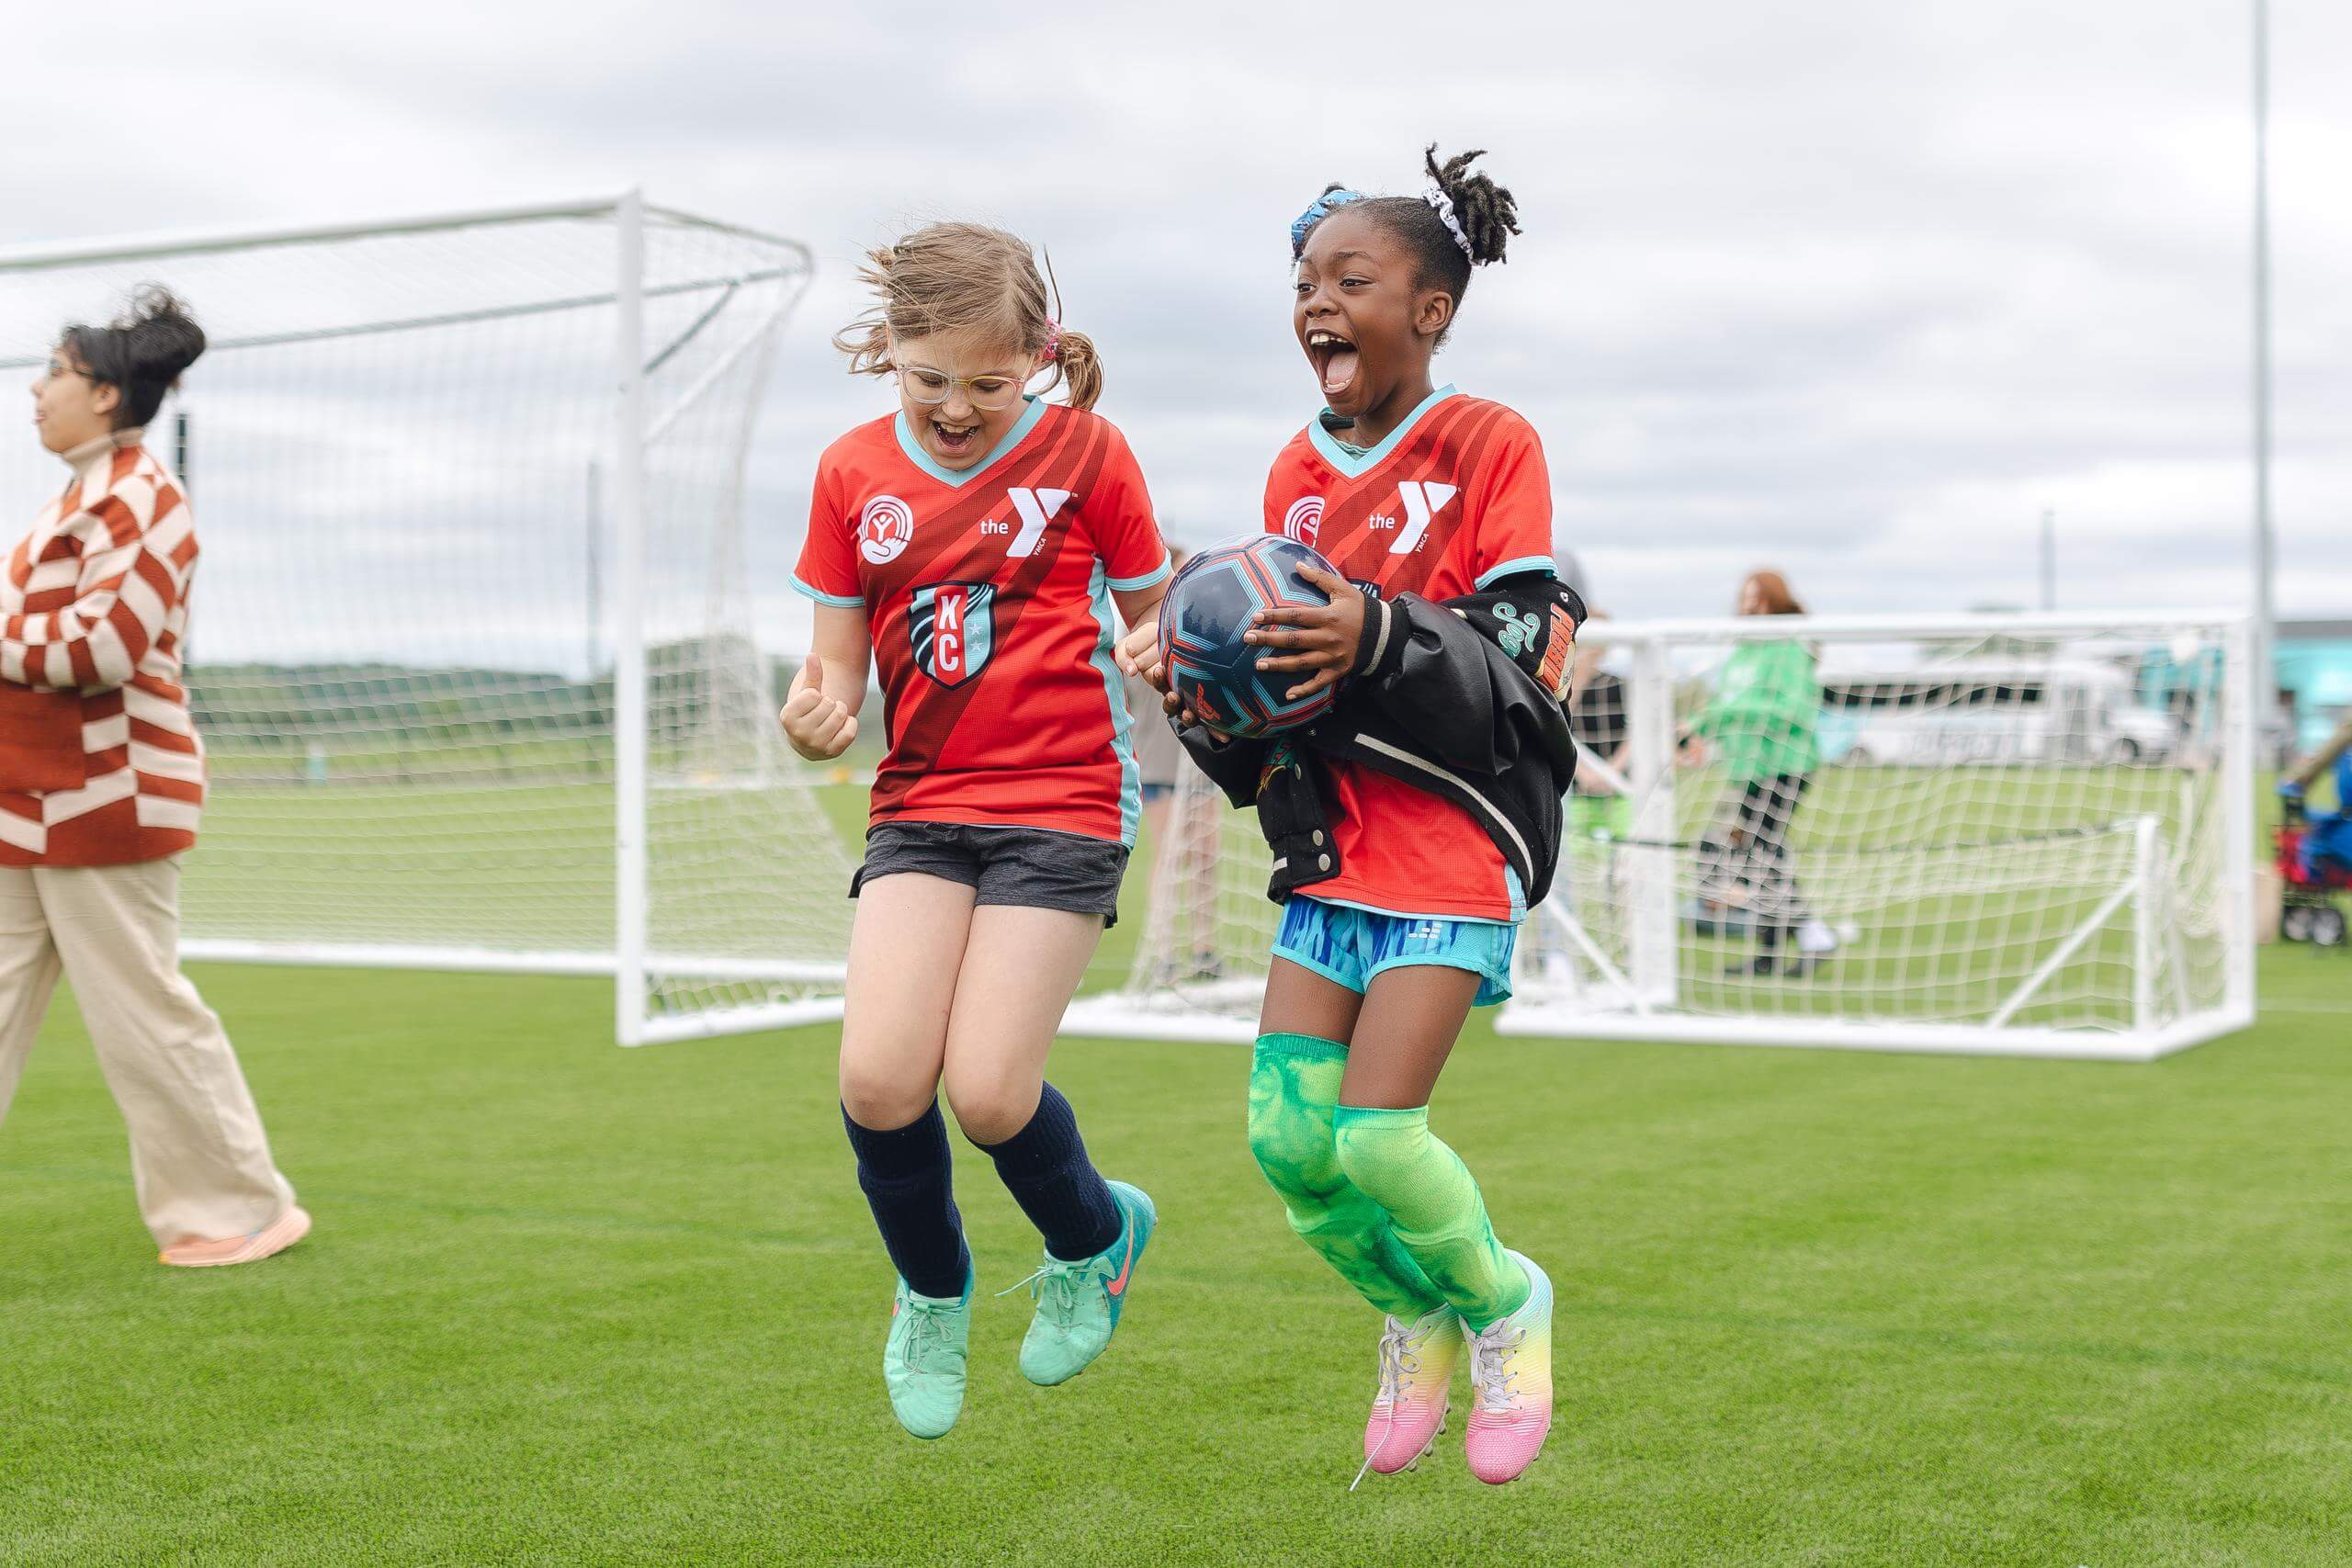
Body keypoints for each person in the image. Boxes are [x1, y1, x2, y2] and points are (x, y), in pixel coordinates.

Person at [1130, 147, 1579, 1487]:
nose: (1315, 302)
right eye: (1305, 282)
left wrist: (1373, 628)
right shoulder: (1290, 472)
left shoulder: (1490, 442)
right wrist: (1206, 687)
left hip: (1446, 847)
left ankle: (1506, 1306)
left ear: (1429, 309)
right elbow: (1287, 703)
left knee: (1380, 1134)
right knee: (1286, 1141)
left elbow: (1522, 655)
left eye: (1351, 279)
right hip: (1332, 858)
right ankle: (1416, 1310)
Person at [784, 222, 1172, 1441]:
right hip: (919, 806)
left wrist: (1161, 643)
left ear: (1039, 360)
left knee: (992, 1092)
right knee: (880, 1076)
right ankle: (935, 1291)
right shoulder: (851, 473)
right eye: (930, 379)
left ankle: (1095, 1237)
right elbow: (833, 670)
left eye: (988, 384)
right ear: (887, 354)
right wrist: (818, 713)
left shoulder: (1090, 454)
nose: (957, 408)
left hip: (1061, 799)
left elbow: (1161, 611)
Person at [0, 288, 308, 1268]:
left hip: (110, 797)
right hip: (26, 794)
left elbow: (102, 648)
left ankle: (239, 1210)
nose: (35, 391)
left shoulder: (145, 498)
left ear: (102, 393)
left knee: (143, 1019)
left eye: (53, 372)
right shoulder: (78, 498)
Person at [1683, 570, 1837, 976]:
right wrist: (1697, 728)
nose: (1748, 605)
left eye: (1757, 597)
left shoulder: (1788, 649)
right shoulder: (1741, 653)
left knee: (1763, 852)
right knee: (1762, 855)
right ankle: (1772, 955)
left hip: (1785, 765)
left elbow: (1793, 711)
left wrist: (1727, 714)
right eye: (1745, 597)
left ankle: (1812, 934)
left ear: (1775, 601)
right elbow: (1723, 705)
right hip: (1745, 767)